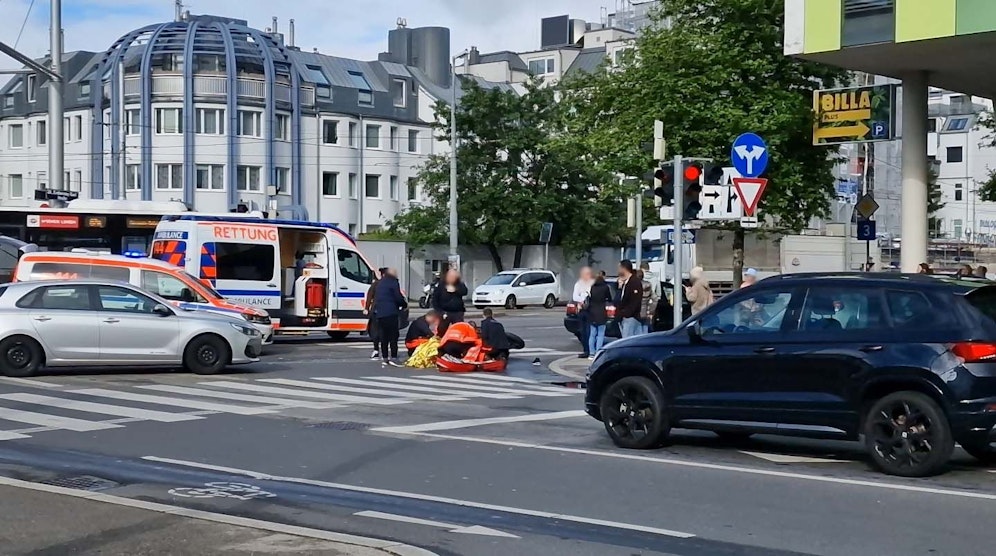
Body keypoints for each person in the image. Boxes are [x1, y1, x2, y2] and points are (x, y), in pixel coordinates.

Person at [372, 267, 407, 367]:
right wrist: (404, 304)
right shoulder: (393, 282)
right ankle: (394, 357)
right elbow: (398, 297)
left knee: (383, 336)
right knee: (393, 336)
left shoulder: (380, 283)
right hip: (391, 312)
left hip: (380, 313)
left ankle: (385, 357)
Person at [587, 273, 613, 357]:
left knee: (592, 334)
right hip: (601, 312)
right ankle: (598, 352)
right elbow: (609, 298)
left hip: (592, 312)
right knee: (600, 334)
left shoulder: (592, 287)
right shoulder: (605, 288)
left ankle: (591, 352)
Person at [616, 260, 644, 338]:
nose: (618, 271)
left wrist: (626, 313)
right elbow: (618, 300)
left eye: (619, 268)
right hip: (624, 318)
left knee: (628, 341)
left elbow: (635, 301)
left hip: (631, 318)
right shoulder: (624, 283)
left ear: (624, 269)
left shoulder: (635, 282)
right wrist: (619, 288)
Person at [572, 267, 594, 358]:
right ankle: (585, 350)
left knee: (590, 331)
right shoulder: (578, 284)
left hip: (590, 310)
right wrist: (582, 299)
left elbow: (592, 296)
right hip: (581, 310)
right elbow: (575, 297)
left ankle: (590, 350)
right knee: (583, 331)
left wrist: (584, 297)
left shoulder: (592, 284)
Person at [364, 269, 383, 360]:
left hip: (376, 311)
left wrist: (366, 308)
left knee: (375, 331)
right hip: (387, 312)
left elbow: (369, 296)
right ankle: (386, 352)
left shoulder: (376, 284)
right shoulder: (393, 284)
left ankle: (376, 350)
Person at [638, 269, 658, 334]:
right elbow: (655, 299)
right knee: (645, 331)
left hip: (636, 312)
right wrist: (651, 311)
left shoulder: (634, 285)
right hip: (646, 311)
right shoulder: (648, 286)